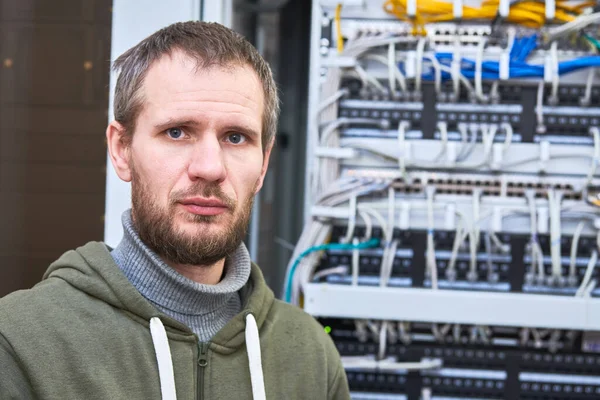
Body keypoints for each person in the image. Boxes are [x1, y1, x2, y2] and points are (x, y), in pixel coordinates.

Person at [0, 21, 350, 400]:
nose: (210, 167)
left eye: (236, 137)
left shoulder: (311, 357)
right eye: (178, 132)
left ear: (263, 165)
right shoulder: (20, 345)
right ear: (122, 150)